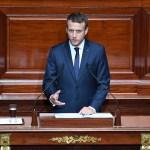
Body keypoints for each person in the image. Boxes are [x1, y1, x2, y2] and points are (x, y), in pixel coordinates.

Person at [42, 12, 110, 115]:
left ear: (86, 30)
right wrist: (52, 96)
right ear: (66, 30)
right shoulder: (56, 51)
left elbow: (103, 84)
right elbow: (48, 82)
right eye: (71, 31)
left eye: (78, 31)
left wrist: (93, 107)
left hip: (89, 113)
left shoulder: (98, 51)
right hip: (63, 111)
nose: (74, 35)